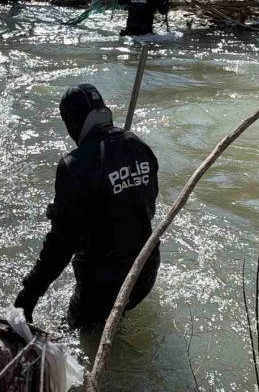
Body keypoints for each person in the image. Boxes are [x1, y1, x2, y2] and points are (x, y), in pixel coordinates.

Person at [14, 84, 161, 328]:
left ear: (73, 123)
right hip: (145, 271)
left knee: (72, 339)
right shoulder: (139, 145)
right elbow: (147, 206)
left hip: (102, 289)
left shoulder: (74, 165)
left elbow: (61, 245)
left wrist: (28, 294)